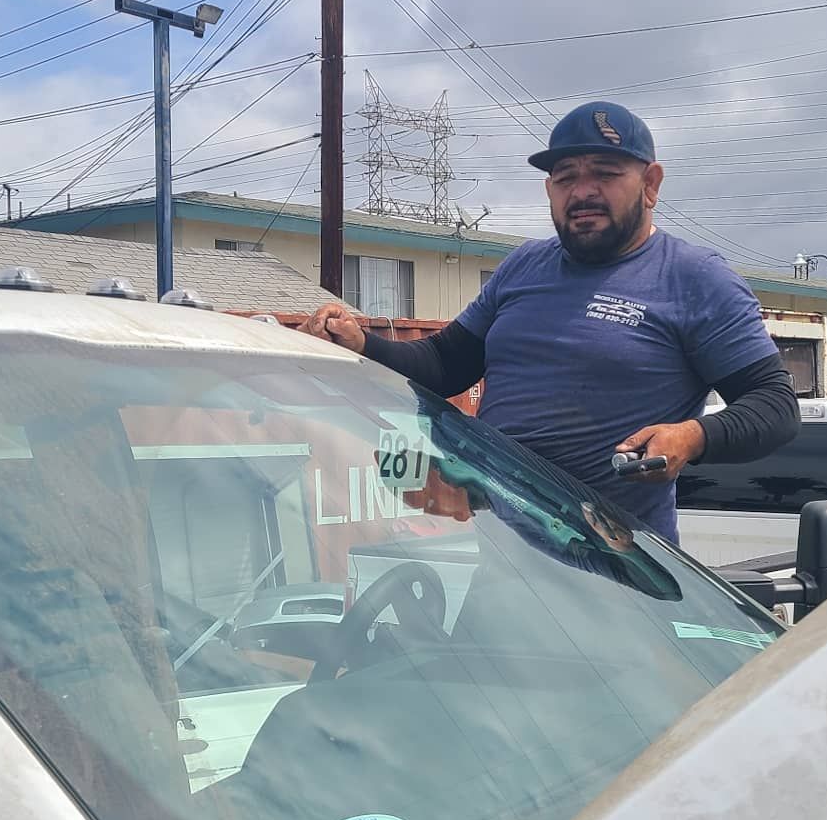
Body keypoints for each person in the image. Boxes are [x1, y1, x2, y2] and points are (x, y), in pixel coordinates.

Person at [302, 100, 800, 547]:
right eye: (566, 178)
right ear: (549, 189)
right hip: (507, 558)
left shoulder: (696, 280)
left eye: (605, 174)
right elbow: (444, 363)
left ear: (650, 185)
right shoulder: (525, 266)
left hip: (620, 564)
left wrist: (692, 437)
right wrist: (362, 340)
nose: (582, 192)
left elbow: (775, 406)